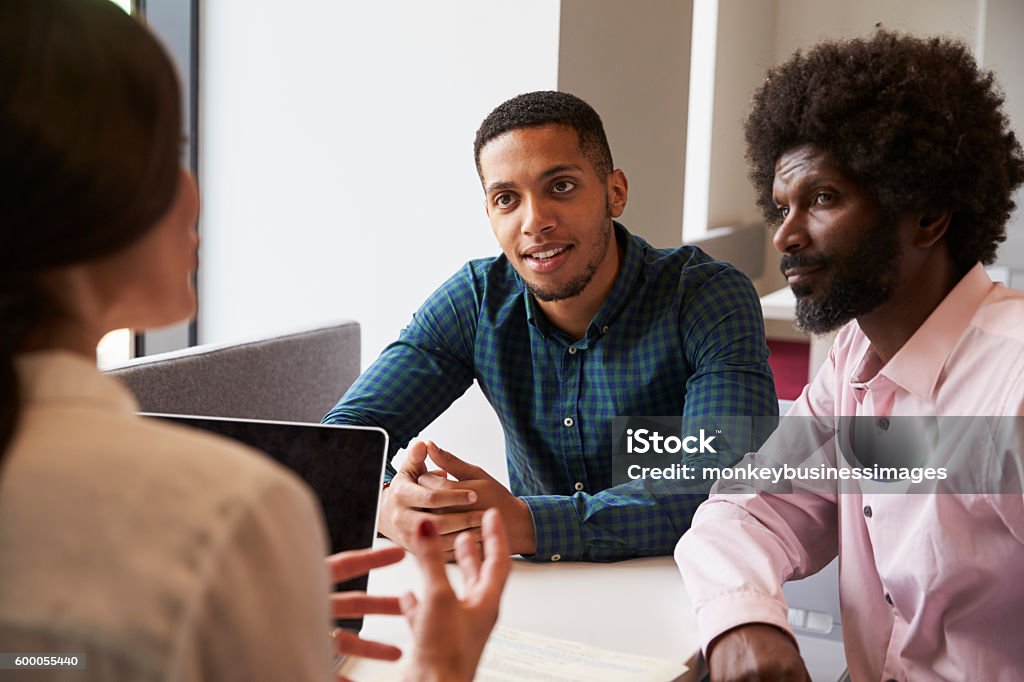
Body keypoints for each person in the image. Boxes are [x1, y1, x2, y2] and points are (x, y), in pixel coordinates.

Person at [0, 1, 507, 680]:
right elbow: (352, 428)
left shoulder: (697, 300)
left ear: (616, 191)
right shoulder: (220, 511)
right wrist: (439, 667)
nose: (191, 188)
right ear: (81, 195)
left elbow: (35, 660)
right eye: (169, 157)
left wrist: (239, 609)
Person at [675, 30, 1024, 681]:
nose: (785, 234)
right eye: (781, 207)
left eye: (824, 199)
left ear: (926, 215)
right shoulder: (855, 362)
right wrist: (744, 622)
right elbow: (747, 507)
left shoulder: (1011, 384)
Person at [325, 91, 778, 563]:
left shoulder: (706, 295)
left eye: (560, 186)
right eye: (506, 199)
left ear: (615, 192)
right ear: (490, 215)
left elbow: (726, 480)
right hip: (537, 596)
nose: (534, 221)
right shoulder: (475, 300)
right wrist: (385, 505)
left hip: (684, 585)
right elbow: (342, 439)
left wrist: (531, 523)